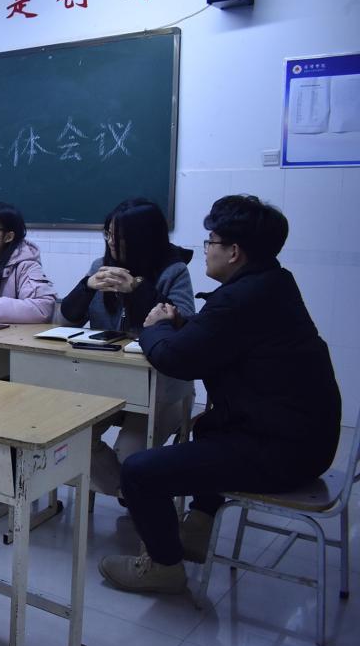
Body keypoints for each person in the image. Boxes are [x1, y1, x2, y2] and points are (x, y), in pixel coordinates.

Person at [99, 195, 341, 594]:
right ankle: (197, 528)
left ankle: (163, 566)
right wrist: (180, 323)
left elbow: (176, 359)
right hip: (302, 437)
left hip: (283, 451)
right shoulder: (272, 283)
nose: (207, 250)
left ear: (234, 251)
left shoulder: (240, 297)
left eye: (211, 241)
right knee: (206, 427)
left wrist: (156, 326)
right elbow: (218, 337)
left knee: (140, 471)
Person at [60, 199, 196, 496]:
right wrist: (86, 287)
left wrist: (137, 289)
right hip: (106, 383)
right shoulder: (101, 267)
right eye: (108, 234)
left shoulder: (173, 271)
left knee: (129, 456)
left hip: (162, 388)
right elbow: (65, 319)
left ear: (143, 238)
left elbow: (185, 327)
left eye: (119, 237)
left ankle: (136, 491)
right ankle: (132, 495)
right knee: (73, 439)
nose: (111, 242)